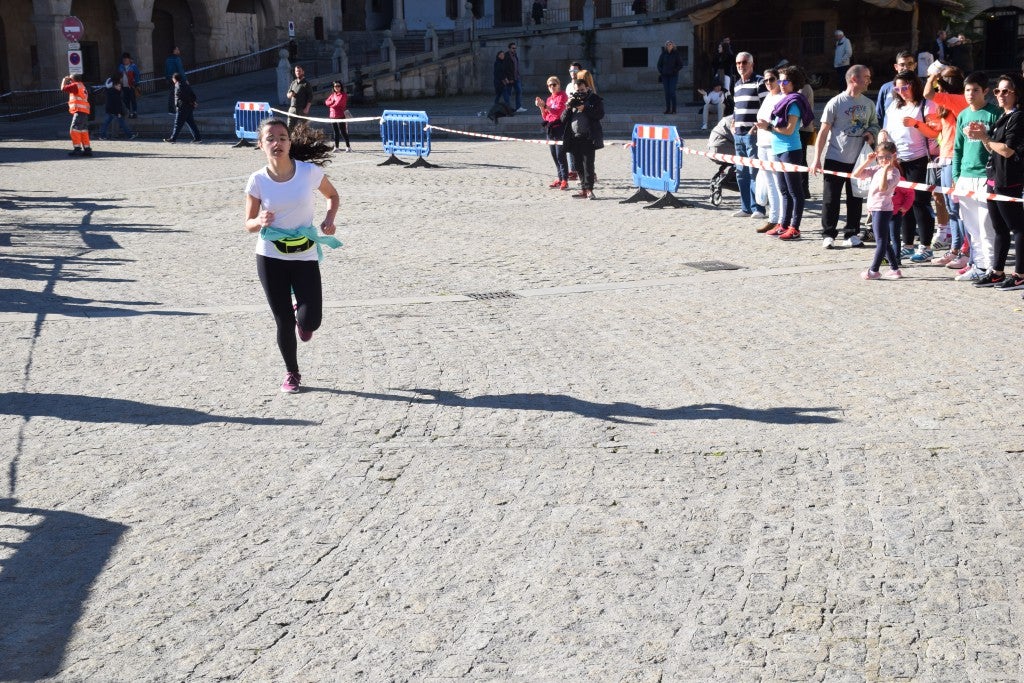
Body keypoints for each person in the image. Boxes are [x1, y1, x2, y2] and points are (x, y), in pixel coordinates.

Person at [244, 119, 341, 393]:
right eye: (271, 138)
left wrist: (329, 219)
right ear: (261, 144)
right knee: (283, 320)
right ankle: (292, 372)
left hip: (304, 254)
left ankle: (304, 317)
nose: (278, 143)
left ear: (290, 142)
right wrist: (259, 220)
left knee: (311, 322)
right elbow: (248, 224)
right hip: (270, 256)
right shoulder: (257, 180)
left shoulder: (308, 172)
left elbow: (332, 196)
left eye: (283, 137)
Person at [809, 65, 879, 249]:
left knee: (855, 198)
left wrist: (871, 133)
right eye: (866, 77)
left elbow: (874, 125)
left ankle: (852, 233)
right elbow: (823, 132)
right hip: (835, 157)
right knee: (830, 199)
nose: (869, 80)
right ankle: (828, 233)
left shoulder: (868, 103)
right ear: (854, 79)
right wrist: (816, 158)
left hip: (858, 160)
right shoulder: (836, 103)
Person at [964, 73, 1024, 290]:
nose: (1000, 95)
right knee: (998, 227)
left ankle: (1019, 274)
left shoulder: (1018, 117)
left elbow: (1008, 150)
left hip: (1009, 179)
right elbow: (992, 148)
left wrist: (987, 139)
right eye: (998, 90)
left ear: (1017, 93)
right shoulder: (1003, 116)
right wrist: (982, 137)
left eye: (1006, 91)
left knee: (1017, 227)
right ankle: (997, 272)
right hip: (993, 177)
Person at [877, 70, 938, 262]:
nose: (901, 91)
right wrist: (882, 136)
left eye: (905, 87)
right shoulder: (895, 105)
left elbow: (934, 133)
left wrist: (916, 124)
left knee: (920, 202)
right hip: (899, 160)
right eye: (898, 88)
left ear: (914, 85)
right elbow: (885, 128)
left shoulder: (925, 105)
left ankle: (926, 246)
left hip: (919, 159)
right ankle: (908, 245)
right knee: (904, 204)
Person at [951, 72, 1000, 281]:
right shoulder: (962, 115)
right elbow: (957, 149)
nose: (970, 94)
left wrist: (983, 137)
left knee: (985, 226)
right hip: (965, 176)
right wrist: (955, 176)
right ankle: (979, 266)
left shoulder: (994, 114)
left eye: (975, 90)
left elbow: (998, 148)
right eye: (967, 90)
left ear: (985, 91)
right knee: (971, 227)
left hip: (985, 176)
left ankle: (991, 268)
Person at [758, 65, 813, 240]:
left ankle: (795, 227)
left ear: (794, 82)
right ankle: (783, 224)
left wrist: (768, 127)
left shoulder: (794, 102)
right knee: (783, 190)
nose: (781, 84)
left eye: (785, 81)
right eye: (780, 80)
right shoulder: (784, 99)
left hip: (790, 150)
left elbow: (789, 130)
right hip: (778, 149)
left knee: (795, 191)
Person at [923, 66, 967, 264]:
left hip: (956, 158)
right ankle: (956, 247)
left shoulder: (956, 99)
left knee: (957, 208)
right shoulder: (950, 101)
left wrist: (933, 76)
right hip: (946, 155)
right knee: (951, 207)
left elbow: (927, 93)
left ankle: (963, 249)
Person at [854, 141, 904, 279]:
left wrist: (886, 169)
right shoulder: (877, 168)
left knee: (880, 240)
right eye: (881, 157)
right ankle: (895, 269)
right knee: (883, 239)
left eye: (887, 157)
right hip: (874, 208)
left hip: (883, 209)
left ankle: (874, 270)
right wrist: (867, 161)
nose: (883, 160)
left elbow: (883, 188)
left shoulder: (894, 173)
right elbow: (857, 174)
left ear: (894, 156)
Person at [731, 51, 768, 219]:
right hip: (738, 133)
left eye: (744, 62)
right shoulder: (737, 84)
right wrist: (733, 122)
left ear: (752, 64)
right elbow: (736, 108)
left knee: (754, 172)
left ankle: (758, 208)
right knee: (741, 173)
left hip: (753, 134)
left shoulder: (760, 82)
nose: (741, 65)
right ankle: (745, 207)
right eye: (738, 62)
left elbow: (767, 107)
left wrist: (757, 128)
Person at [561, 69, 603, 199]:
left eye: (582, 90)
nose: (580, 93)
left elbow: (599, 114)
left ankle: (590, 190)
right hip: (574, 138)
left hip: (588, 137)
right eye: (577, 91)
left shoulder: (594, 99)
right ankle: (584, 189)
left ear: (587, 88)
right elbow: (562, 119)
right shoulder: (572, 100)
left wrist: (584, 108)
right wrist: (568, 107)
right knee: (578, 165)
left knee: (588, 165)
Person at [753, 69, 784, 233]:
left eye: (771, 79)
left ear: (779, 80)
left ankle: (782, 220)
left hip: (774, 143)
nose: (768, 83)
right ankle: (773, 218)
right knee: (770, 183)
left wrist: (768, 125)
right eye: (765, 80)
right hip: (762, 143)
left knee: (779, 184)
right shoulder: (767, 97)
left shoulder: (782, 98)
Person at [535, 75, 569, 189]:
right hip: (550, 129)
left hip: (559, 127)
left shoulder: (562, 96)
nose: (552, 87)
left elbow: (558, 112)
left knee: (560, 154)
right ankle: (559, 178)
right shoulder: (549, 99)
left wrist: (545, 106)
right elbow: (545, 117)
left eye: (554, 84)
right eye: (550, 85)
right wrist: (541, 107)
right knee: (554, 155)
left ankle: (565, 179)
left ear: (559, 85)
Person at [876, 51, 917, 126]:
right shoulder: (886, 88)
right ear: (896, 67)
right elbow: (879, 116)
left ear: (915, 65)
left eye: (910, 64)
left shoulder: (923, 88)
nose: (906, 67)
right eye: (902, 65)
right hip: (889, 135)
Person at [163, 72, 202, 143]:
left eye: (173, 78)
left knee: (177, 124)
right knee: (191, 123)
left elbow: (184, 96)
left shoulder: (178, 85)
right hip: (189, 107)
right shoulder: (186, 84)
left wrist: (191, 102)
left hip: (182, 107)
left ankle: (173, 138)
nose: (172, 79)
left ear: (175, 79)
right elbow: (192, 95)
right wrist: (193, 102)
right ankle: (198, 138)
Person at [60, 73, 92, 157]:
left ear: (73, 79)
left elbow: (63, 88)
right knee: (83, 130)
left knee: (74, 129)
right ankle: (87, 149)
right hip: (84, 111)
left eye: (70, 79)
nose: (70, 81)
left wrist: (64, 80)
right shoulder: (82, 85)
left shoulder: (75, 85)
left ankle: (77, 149)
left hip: (79, 111)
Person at [564, 62, 583, 180]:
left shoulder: (584, 85)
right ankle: (572, 170)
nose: (573, 73)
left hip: (581, 118)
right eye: (571, 71)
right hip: (571, 117)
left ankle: (589, 171)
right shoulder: (568, 86)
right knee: (569, 144)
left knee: (583, 146)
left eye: (575, 71)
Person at [324, 80, 351, 153]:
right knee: (335, 132)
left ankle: (348, 147)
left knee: (343, 132)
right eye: (335, 86)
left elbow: (338, 103)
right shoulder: (333, 95)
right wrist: (332, 103)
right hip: (332, 115)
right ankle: (336, 147)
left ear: (341, 87)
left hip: (340, 115)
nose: (337, 87)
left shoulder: (343, 95)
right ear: (333, 87)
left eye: (338, 86)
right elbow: (326, 102)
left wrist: (331, 105)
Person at [657, 41, 684, 114]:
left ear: (673, 46)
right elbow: (659, 65)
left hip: (673, 76)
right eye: (667, 45)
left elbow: (680, 65)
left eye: (670, 44)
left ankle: (674, 109)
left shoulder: (676, 54)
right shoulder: (663, 54)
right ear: (665, 46)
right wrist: (661, 71)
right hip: (665, 76)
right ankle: (668, 109)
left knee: (672, 92)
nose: (669, 46)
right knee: (667, 93)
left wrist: (675, 71)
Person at [286, 65, 313, 131]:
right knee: (289, 127)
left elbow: (310, 97)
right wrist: (290, 94)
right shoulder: (293, 83)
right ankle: (289, 141)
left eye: (299, 71)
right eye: (296, 71)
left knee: (304, 128)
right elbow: (288, 95)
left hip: (302, 109)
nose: (298, 72)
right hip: (292, 109)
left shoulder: (306, 84)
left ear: (303, 72)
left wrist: (307, 108)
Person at [118, 52, 140, 118]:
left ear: (129, 59)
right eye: (124, 60)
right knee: (126, 100)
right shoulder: (121, 67)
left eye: (126, 59)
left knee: (133, 100)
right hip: (124, 86)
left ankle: (134, 112)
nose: (125, 61)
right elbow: (119, 75)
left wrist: (136, 83)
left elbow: (137, 75)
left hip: (132, 86)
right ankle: (128, 113)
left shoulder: (133, 66)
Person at [164, 46, 186, 114]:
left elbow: (166, 70)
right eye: (177, 49)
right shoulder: (177, 59)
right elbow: (180, 69)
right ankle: (179, 109)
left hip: (170, 78)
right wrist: (185, 79)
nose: (178, 50)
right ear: (174, 51)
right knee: (180, 94)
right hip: (177, 78)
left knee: (172, 94)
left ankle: (171, 110)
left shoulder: (167, 59)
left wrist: (167, 78)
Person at [508, 42, 526, 112]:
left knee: (519, 91)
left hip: (516, 77)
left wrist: (518, 75)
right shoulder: (506, 56)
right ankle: (508, 108)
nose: (514, 49)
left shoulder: (515, 55)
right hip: (510, 79)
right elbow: (506, 68)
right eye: (513, 48)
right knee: (508, 94)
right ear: (509, 49)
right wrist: (509, 78)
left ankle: (518, 107)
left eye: (515, 48)